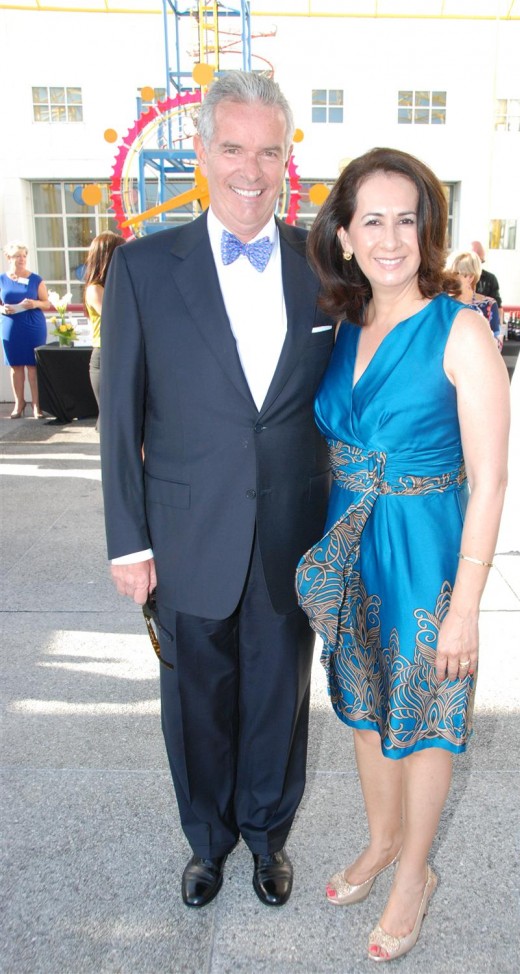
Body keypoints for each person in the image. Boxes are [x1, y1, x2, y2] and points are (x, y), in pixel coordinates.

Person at [100, 72, 333, 910]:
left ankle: (268, 835)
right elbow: (119, 414)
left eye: (268, 151)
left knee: (279, 695)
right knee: (196, 702)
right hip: (185, 532)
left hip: (291, 531)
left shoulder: (323, 266)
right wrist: (129, 540)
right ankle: (208, 842)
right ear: (201, 152)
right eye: (233, 148)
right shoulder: (142, 267)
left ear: (286, 157)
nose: (250, 169)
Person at [297, 148, 510, 962]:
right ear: (344, 236)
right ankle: (382, 840)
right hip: (353, 545)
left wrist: (466, 608)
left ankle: (413, 873)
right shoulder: (341, 326)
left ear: (428, 230)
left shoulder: (461, 330)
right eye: (373, 221)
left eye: (407, 220)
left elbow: (491, 480)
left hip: (427, 557)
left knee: (423, 726)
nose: (391, 238)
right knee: (360, 710)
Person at [83, 231, 126, 435]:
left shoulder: (116, 284)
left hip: (120, 352)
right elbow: (117, 317)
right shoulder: (95, 289)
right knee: (110, 417)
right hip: (105, 354)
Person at [1, 241, 49, 418]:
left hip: (32, 324)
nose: (21, 259)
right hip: (11, 325)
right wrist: (2, 309)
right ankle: (19, 403)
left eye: (24, 256)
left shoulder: (36, 279)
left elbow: (46, 303)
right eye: (17, 256)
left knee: (33, 366)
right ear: (8, 257)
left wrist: (34, 303)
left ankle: (37, 405)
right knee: (15, 366)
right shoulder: (1, 279)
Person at [446, 249, 503, 349]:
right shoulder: (443, 304)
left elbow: (497, 345)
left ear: (470, 277)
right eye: (447, 273)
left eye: (455, 273)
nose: (449, 278)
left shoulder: (488, 305)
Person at [470, 239, 503, 314]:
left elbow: (498, 306)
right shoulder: (457, 277)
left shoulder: (490, 279)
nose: (478, 265)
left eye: (481, 261)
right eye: (474, 261)